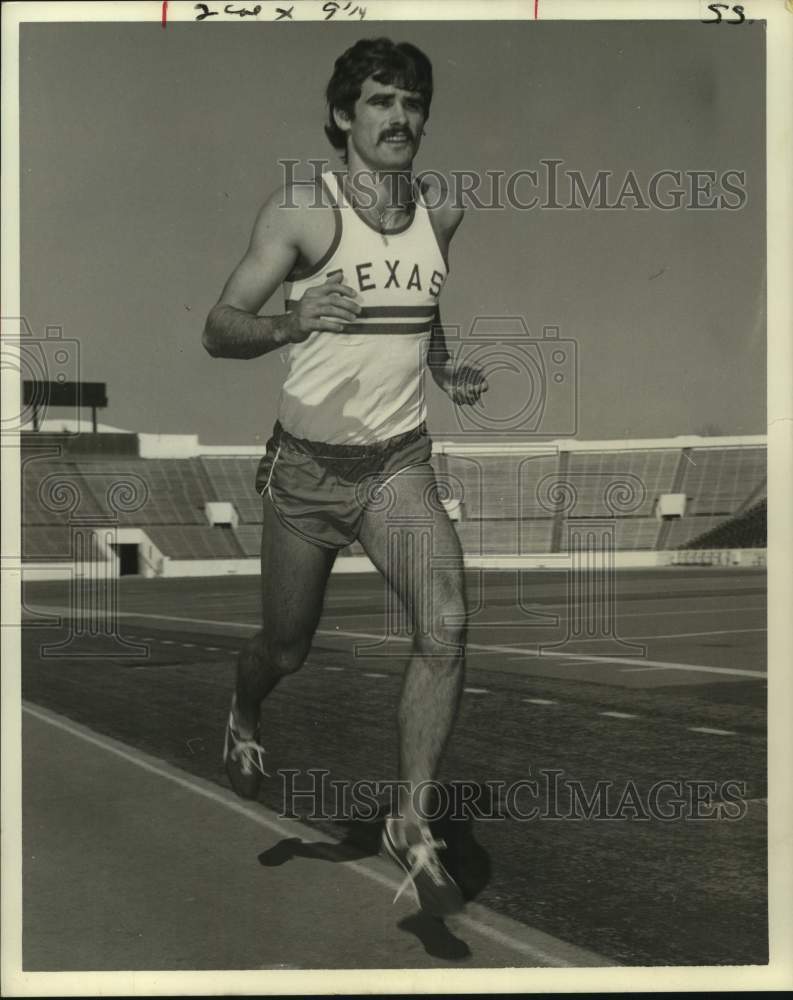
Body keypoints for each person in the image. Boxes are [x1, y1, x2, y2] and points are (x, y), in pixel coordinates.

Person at [202, 37, 487, 917]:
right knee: (283, 649)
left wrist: (442, 366)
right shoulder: (303, 212)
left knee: (445, 623)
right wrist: (292, 320)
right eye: (378, 101)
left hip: (395, 466)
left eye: (410, 102)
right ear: (341, 116)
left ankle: (410, 819)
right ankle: (245, 715)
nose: (397, 117)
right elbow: (218, 327)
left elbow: (423, 301)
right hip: (307, 474)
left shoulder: (442, 212)